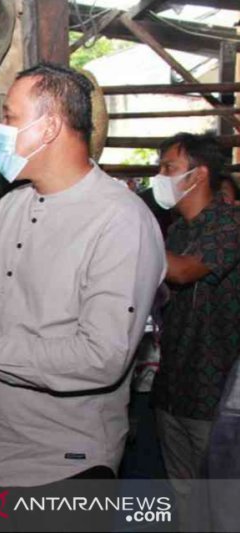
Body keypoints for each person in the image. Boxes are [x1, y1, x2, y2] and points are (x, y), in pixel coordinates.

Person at [0, 63, 166, 531]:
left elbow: (101, 357)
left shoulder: (121, 222)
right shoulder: (12, 205)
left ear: (49, 127)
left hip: (64, 465)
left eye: (9, 117)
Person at [149, 132, 240, 530]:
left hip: (216, 398)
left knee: (224, 507)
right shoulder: (174, 232)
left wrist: (130, 234)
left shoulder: (231, 223)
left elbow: (185, 271)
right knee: (185, 507)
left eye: (168, 167)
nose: (160, 176)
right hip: (174, 390)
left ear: (198, 174)